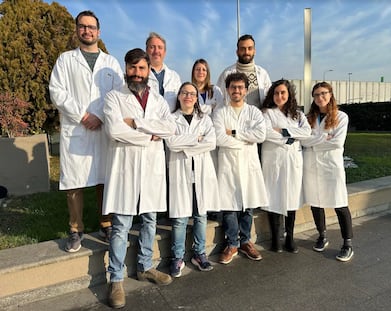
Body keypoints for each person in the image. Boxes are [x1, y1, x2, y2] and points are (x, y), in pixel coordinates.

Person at [102, 48, 176, 309]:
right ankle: (117, 278)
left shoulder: (157, 100)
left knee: (150, 219)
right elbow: (114, 130)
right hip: (126, 170)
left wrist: (136, 123)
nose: (137, 73)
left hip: (151, 171)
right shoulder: (113, 97)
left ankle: (145, 267)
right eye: (132, 68)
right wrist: (149, 134)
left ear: (148, 71)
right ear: (126, 69)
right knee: (121, 224)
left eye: (141, 68)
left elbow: (170, 128)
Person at [49, 10, 124, 252]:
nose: (87, 31)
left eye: (91, 27)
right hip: (77, 128)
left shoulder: (110, 63)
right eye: (83, 26)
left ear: (98, 31)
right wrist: (83, 115)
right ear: (77, 30)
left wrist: (100, 116)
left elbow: (118, 94)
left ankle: (106, 223)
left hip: (103, 128)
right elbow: (57, 92)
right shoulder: (65, 60)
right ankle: (75, 229)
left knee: (105, 179)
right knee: (74, 182)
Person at [213, 72, 268, 264]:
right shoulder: (220, 112)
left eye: (240, 87)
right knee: (229, 206)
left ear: (246, 90)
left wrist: (235, 133)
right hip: (228, 164)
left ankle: (246, 242)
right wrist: (245, 141)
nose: (236, 91)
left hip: (248, 165)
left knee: (248, 205)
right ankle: (232, 243)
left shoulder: (253, 112)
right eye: (233, 87)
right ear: (227, 90)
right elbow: (219, 137)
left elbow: (260, 135)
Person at [166, 82, 220, 278]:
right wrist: (196, 139)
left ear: (197, 98)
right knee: (180, 218)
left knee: (200, 215)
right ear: (179, 96)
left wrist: (187, 143)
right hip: (181, 173)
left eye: (192, 93)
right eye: (184, 93)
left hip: (201, 174)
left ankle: (199, 254)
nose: (188, 96)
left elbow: (211, 142)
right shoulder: (171, 119)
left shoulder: (204, 119)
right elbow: (171, 143)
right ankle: (177, 257)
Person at [302, 81, 354, 262]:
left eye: (323, 93)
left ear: (330, 94)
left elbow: (337, 142)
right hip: (312, 167)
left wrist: (314, 141)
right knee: (316, 202)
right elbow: (302, 140)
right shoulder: (308, 117)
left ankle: (347, 243)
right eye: (316, 95)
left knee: (339, 203)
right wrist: (323, 137)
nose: (320, 97)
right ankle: (322, 235)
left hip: (331, 167)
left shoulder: (341, 117)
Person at [261, 79, 311, 253]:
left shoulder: (297, 114)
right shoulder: (266, 113)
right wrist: (291, 137)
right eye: (276, 93)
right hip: (273, 160)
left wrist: (283, 131)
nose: (279, 96)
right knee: (273, 196)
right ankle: (275, 239)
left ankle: (289, 237)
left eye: (283, 92)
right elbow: (266, 133)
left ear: (289, 94)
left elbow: (306, 132)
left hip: (292, 160)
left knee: (291, 197)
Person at [216, 34, 271, 108]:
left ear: (254, 51)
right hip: (232, 118)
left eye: (250, 48)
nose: (246, 52)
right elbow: (218, 100)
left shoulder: (262, 74)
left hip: (259, 118)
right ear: (237, 52)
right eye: (243, 49)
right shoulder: (226, 74)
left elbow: (270, 100)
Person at [146, 32, 182, 112]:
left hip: (170, 122)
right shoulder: (140, 75)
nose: (156, 51)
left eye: (160, 47)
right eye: (152, 47)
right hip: (147, 122)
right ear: (146, 50)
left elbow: (181, 104)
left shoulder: (174, 77)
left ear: (164, 52)